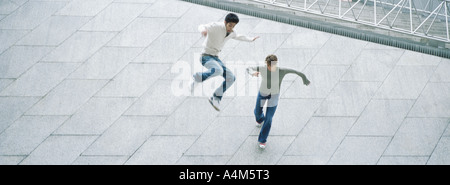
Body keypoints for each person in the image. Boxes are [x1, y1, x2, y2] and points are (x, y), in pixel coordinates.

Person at [190, 13, 259, 111]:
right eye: (230, 25)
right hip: (205, 56)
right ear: (225, 22)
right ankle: (196, 77)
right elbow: (202, 26)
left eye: (233, 26)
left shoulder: (232, 33)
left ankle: (216, 97)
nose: (231, 28)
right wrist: (203, 31)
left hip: (215, 58)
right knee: (218, 70)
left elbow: (239, 36)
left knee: (231, 77)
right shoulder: (216, 26)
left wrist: (251, 39)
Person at [246, 54, 310, 149]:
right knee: (257, 112)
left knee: (269, 119)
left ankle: (262, 140)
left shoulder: (282, 71)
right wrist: (252, 73)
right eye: (268, 66)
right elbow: (248, 68)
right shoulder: (263, 69)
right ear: (266, 64)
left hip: (274, 96)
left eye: (272, 66)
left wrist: (304, 79)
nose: (270, 68)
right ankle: (259, 119)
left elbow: (297, 72)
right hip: (263, 93)